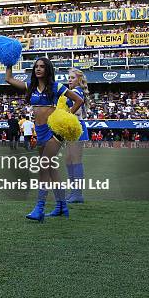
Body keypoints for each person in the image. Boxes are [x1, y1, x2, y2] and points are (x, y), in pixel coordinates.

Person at [5, 58, 83, 221]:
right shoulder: (30, 87)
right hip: (39, 132)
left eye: (42, 67)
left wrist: (66, 118)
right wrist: (9, 62)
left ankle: (39, 208)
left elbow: (78, 100)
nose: (38, 69)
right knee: (51, 169)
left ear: (48, 69)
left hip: (54, 131)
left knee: (43, 167)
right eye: (36, 67)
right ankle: (62, 206)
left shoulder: (56, 86)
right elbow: (9, 79)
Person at [65, 68, 89, 204]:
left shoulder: (75, 92)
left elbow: (77, 111)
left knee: (75, 161)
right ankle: (74, 192)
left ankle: (77, 194)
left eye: (73, 78)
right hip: (72, 127)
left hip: (76, 127)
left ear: (79, 80)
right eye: (69, 77)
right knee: (69, 160)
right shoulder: (75, 92)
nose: (69, 80)